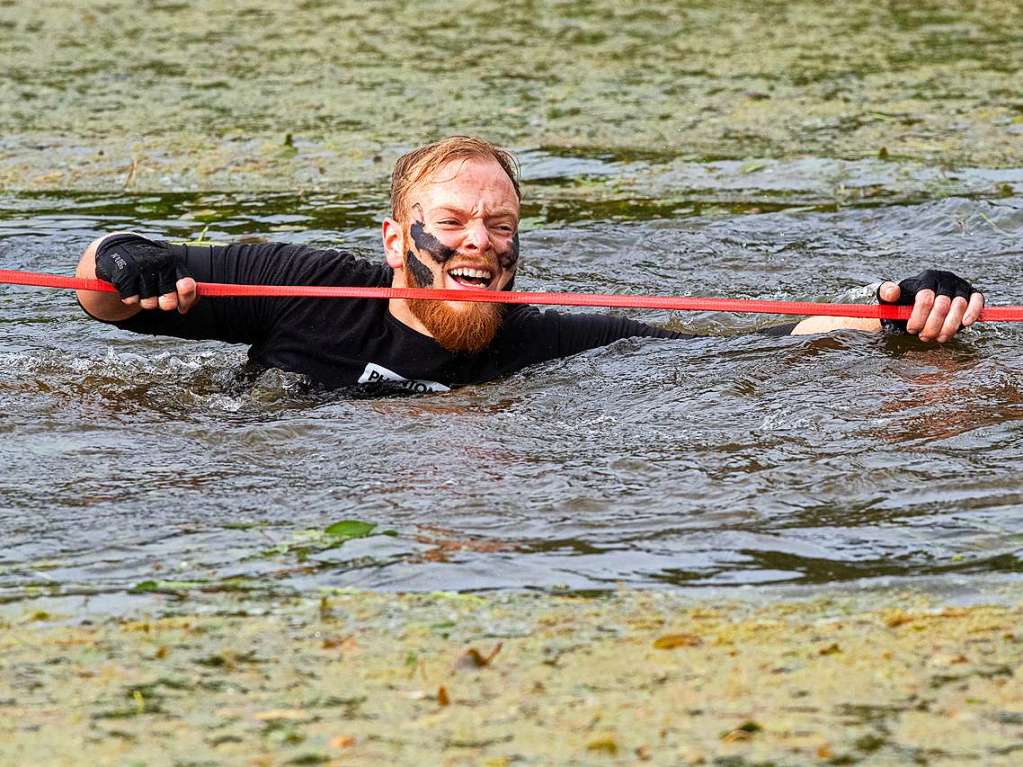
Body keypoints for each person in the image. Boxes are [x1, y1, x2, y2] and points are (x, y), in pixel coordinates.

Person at [75, 136, 985, 393]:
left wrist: (896, 313)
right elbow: (96, 296)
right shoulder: (296, 284)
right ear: (398, 240)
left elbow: (763, 342)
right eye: (456, 222)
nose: (480, 242)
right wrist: (126, 261)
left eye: (500, 226)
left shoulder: (549, 341)